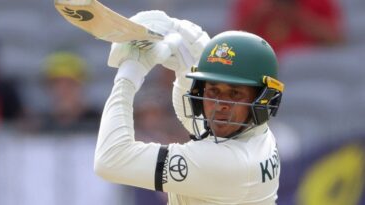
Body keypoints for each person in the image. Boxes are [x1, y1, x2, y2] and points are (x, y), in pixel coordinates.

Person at [94, 11, 285, 204]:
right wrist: (185, 59)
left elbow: (110, 160)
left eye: (234, 94)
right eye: (213, 91)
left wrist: (129, 75)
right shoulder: (258, 134)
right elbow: (196, 120)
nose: (220, 106)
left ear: (263, 98)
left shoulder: (226, 163)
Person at [230, 0, 344, 55]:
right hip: (261, 67)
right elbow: (233, 42)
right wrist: (259, 14)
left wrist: (297, 15)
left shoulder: (319, 2)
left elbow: (336, 40)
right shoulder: (250, 3)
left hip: (306, 69)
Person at [39, 51, 99, 133]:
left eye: (70, 83)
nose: (63, 90)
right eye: (56, 83)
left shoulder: (102, 123)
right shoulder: (37, 126)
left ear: (82, 87)